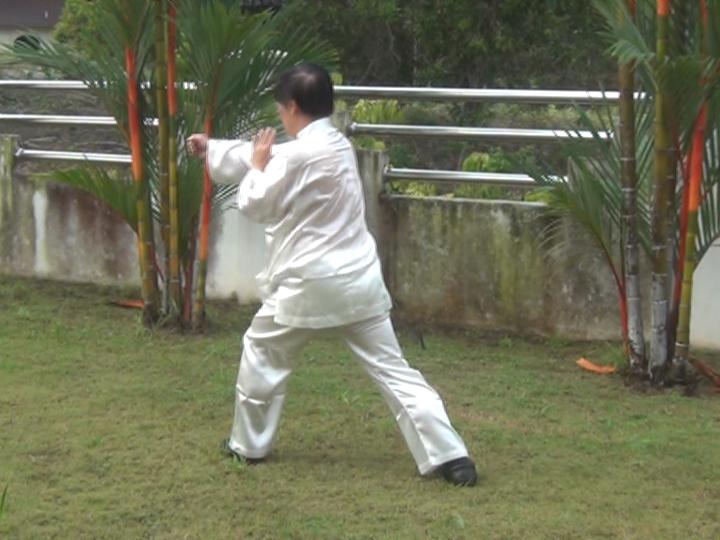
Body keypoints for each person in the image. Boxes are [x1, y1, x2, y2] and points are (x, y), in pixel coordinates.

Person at [186, 63, 477, 486]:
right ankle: (453, 457)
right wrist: (212, 147)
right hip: (358, 283)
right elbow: (265, 154)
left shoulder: (293, 156)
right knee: (395, 370)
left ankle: (247, 445)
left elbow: (255, 203)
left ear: (292, 107)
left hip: (307, 285)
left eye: (281, 110)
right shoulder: (339, 145)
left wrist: (256, 167)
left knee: (261, 351)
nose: (280, 119)